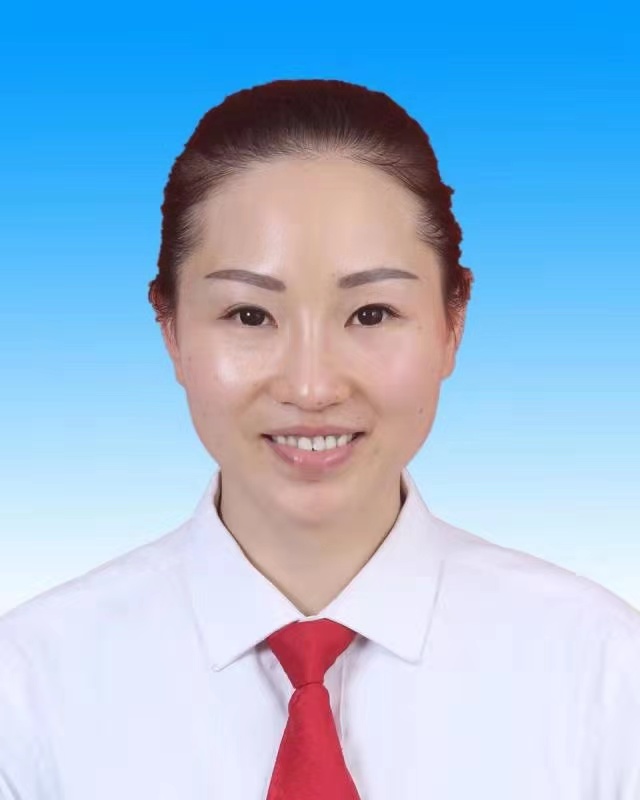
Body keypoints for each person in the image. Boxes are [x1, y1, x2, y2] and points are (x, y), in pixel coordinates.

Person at [0, 78, 638, 800]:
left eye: (371, 314)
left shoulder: (606, 680)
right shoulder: (29, 694)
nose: (311, 387)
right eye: (249, 316)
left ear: (453, 322)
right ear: (170, 328)